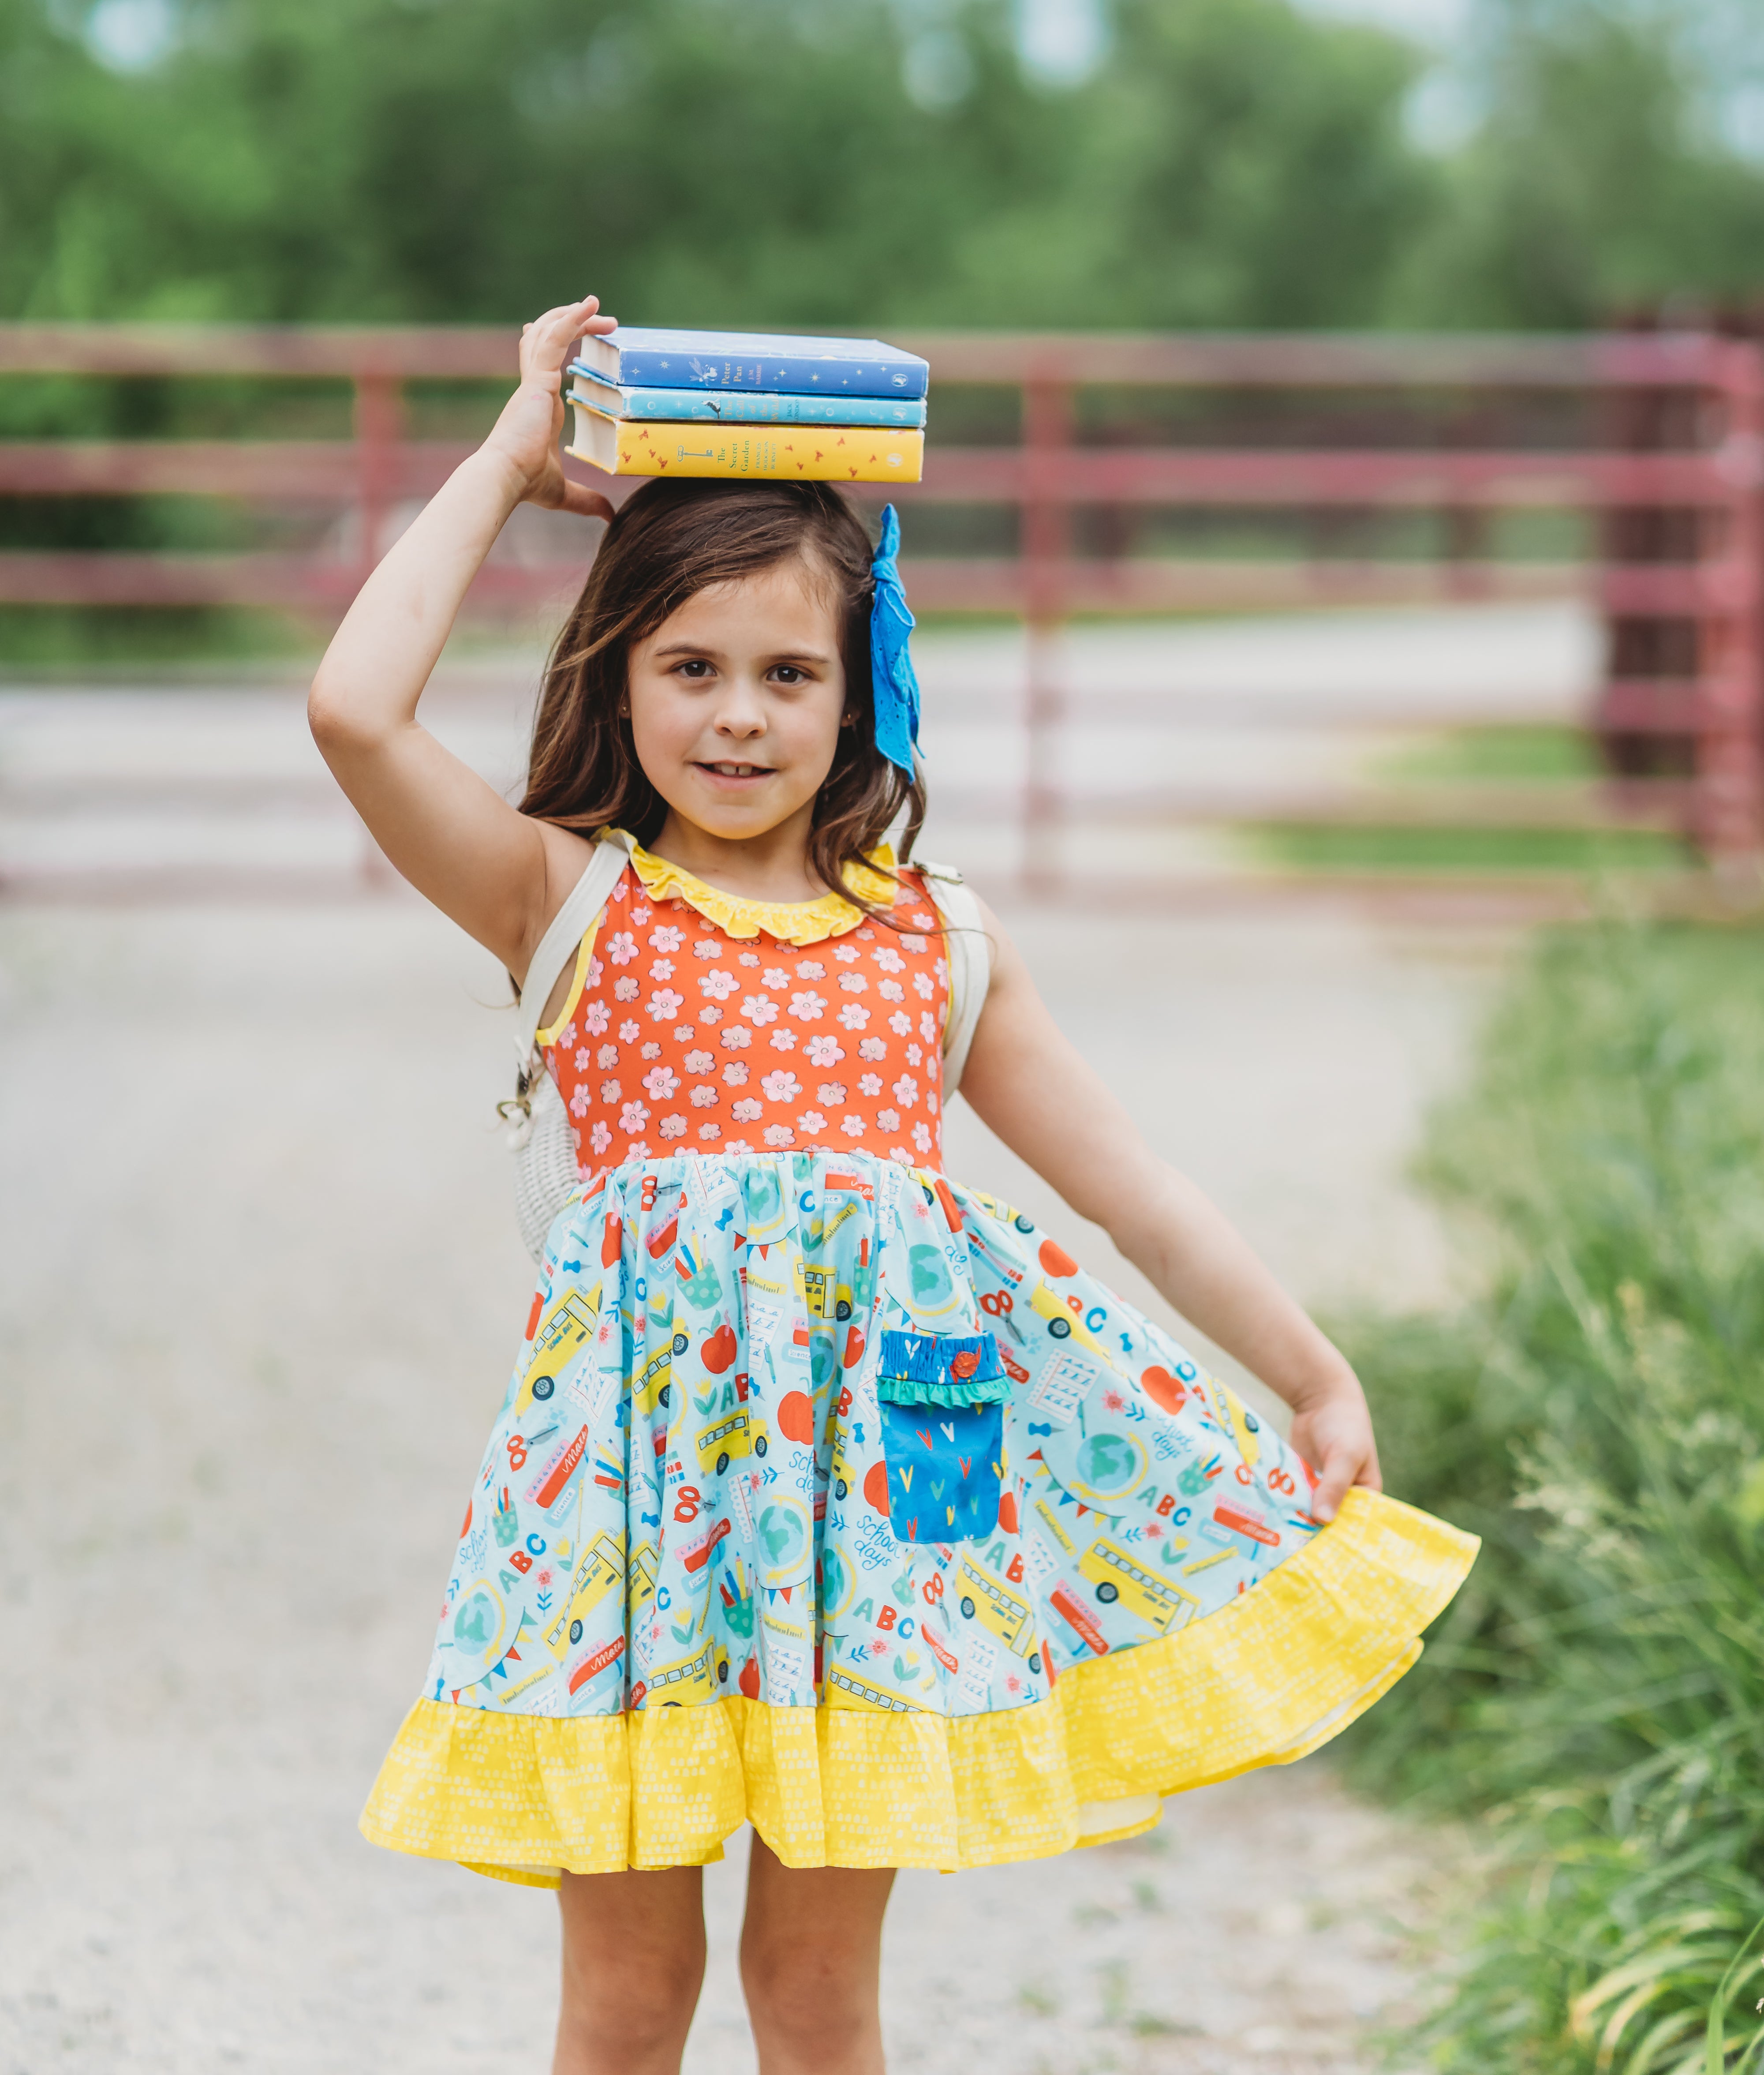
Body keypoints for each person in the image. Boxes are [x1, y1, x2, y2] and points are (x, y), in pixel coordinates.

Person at [309, 295, 1475, 2075]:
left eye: (788, 675)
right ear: (616, 680)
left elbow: (1135, 1191)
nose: (737, 718)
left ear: (859, 695)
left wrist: (1308, 1371)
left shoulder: (936, 946)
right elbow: (353, 711)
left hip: (870, 1538)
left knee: (818, 1993)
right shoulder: (571, 902)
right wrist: (502, 458)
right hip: (641, 1525)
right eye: (688, 669)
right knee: (626, 2002)